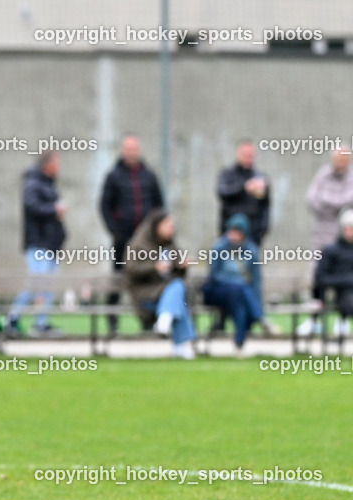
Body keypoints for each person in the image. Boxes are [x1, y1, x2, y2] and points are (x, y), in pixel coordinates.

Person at [100, 135, 164, 336]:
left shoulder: (149, 175)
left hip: (146, 243)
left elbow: (158, 206)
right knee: (118, 278)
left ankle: (147, 320)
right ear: (122, 150)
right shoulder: (114, 176)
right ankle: (112, 320)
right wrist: (115, 231)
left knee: (148, 276)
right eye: (128, 148)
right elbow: (105, 206)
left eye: (135, 148)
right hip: (123, 238)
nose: (132, 152)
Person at [6, 151, 66, 338]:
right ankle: (12, 318)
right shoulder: (33, 182)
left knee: (47, 285)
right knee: (36, 283)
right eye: (56, 162)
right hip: (39, 243)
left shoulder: (48, 183)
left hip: (51, 244)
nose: (59, 166)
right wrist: (54, 209)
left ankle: (41, 323)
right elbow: (31, 206)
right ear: (47, 164)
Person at [124, 209, 195, 359]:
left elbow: (176, 274)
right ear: (157, 226)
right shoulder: (139, 245)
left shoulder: (170, 246)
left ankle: (166, 320)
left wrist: (181, 266)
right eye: (168, 225)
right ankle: (180, 343)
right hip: (146, 295)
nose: (172, 229)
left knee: (177, 291)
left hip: (167, 294)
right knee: (178, 292)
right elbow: (131, 270)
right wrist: (154, 267)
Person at [298, 148, 353, 337]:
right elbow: (312, 200)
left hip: (343, 239)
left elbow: (348, 202)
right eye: (339, 159)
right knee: (318, 278)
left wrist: (329, 204)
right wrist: (338, 205)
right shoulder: (323, 175)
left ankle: (342, 320)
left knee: (345, 279)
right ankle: (314, 320)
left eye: (345, 159)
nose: (342, 162)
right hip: (322, 235)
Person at [202, 213, 265, 355]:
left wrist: (257, 297)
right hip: (220, 290)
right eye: (231, 231)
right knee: (240, 289)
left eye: (237, 232)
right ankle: (259, 317)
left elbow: (255, 279)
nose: (233, 235)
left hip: (239, 294)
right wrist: (235, 282)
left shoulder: (251, 250)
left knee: (241, 303)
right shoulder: (219, 247)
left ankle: (239, 343)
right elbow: (214, 274)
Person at [217, 141, 270, 246]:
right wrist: (245, 187)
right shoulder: (227, 174)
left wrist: (263, 229)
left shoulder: (260, 177)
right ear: (238, 154)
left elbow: (265, 206)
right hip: (231, 230)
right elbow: (223, 192)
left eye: (250, 155)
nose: (248, 158)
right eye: (245, 154)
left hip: (253, 232)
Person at [313, 208, 353, 337]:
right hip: (339, 294)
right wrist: (346, 281)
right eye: (348, 228)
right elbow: (321, 278)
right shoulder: (331, 251)